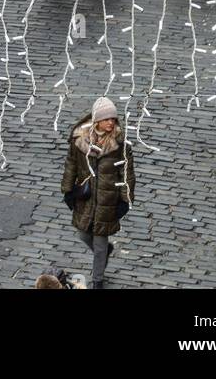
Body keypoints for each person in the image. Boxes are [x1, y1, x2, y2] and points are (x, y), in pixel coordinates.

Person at [61, 96, 135, 291]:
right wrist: (68, 190)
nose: (111, 122)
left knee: (100, 243)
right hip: (85, 199)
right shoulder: (80, 141)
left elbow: (127, 174)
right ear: (97, 120)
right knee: (83, 234)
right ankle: (103, 255)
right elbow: (71, 165)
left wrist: (125, 200)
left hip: (107, 200)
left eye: (113, 118)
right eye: (106, 118)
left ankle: (98, 281)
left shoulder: (120, 145)